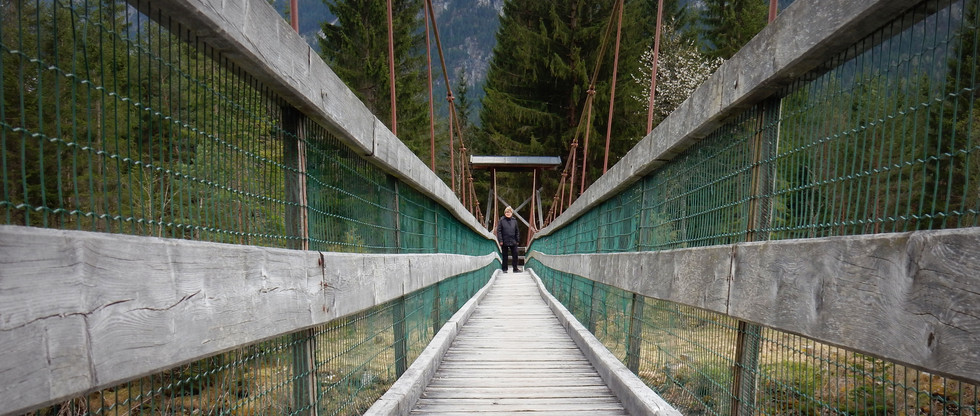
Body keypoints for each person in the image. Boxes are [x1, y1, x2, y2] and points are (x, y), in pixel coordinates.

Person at [496, 206, 521, 273]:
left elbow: (517, 231)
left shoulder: (514, 221)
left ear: (511, 213)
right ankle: (504, 269)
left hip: (513, 241)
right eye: (507, 212)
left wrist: (517, 240)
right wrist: (500, 240)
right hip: (504, 241)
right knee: (505, 256)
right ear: (504, 213)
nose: (508, 213)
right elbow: (499, 231)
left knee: (515, 254)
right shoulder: (501, 220)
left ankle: (515, 269)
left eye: (509, 212)